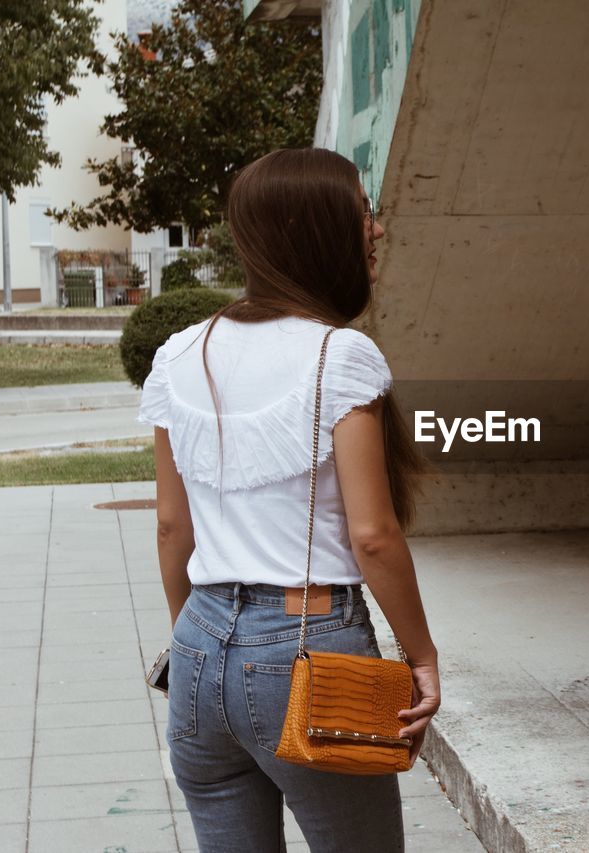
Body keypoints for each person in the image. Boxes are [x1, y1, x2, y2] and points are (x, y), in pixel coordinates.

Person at [137, 147, 439, 853]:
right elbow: (373, 535)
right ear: (317, 229)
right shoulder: (341, 356)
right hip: (308, 644)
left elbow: (170, 526)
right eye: (364, 212)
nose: (377, 229)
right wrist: (421, 656)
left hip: (197, 649)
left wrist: (201, 641)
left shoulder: (179, 352)